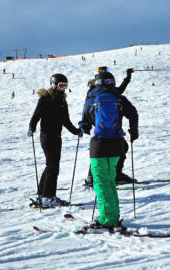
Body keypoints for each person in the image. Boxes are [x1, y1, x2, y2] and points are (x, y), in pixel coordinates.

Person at [78, 70, 138, 229]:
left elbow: (84, 124)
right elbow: (133, 113)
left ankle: (107, 219)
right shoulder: (119, 98)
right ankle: (113, 214)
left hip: (98, 145)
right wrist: (133, 132)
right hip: (116, 145)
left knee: (101, 183)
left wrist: (87, 129)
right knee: (110, 181)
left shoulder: (91, 99)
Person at [28, 73, 82, 208]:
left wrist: (76, 131)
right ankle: (48, 197)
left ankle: (42, 195)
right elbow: (36, 116)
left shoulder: (62, 101)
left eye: (65, 86)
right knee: (53, 166)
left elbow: (66, 121)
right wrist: (31, 128)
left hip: (57, 136)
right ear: (53, 84)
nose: (63, 88)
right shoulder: (45, 99)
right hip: (47, 136)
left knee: (50, 165)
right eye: (61, 85)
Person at [83, 67, 134, 186]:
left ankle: (92, 176)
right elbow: (120, 90)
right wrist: (127, 78)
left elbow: (86, 109)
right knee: (120, 148)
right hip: (113, 128)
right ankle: (116, 174)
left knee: (98, 152)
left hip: (98, 128)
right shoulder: (112, 92)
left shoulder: (92, 92)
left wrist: (84, 126)